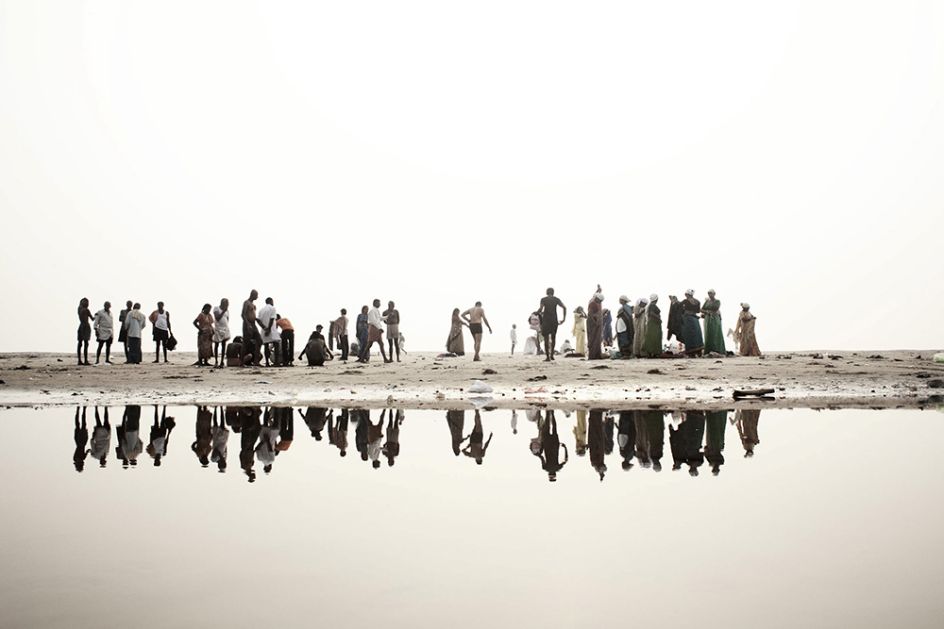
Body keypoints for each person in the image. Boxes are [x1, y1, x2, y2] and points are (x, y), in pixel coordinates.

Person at [538, 288, 566, 361]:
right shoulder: (556, 299)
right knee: (553, 338)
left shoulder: (543, 299)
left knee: (546, 339)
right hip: (554, 320)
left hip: (546, 320)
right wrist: (563, 319)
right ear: (553, 293)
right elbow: (564, 307)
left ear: (546, 292)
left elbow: (541, 309)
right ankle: (552, 355)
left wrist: (536, 312)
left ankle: (548, 357)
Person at [360, 299, 390, 363]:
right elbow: (373, 321)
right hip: (374, 328)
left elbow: (379, 318)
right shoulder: (372, 311)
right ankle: (362, 358)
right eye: (379, 303)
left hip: (376, 328)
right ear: (375, 303)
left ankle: (385, 359)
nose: (380, 304)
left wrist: (387, 317)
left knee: (378, 344)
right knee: (370, 344)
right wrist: (379, 328)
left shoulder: (376, 310)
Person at [256, 297, 281, 366]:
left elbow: (258, 320)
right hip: (272, 329)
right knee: (276, 344)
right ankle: (276, 362)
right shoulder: (272, 308)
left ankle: (267, 362)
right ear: (271, 301)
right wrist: (269, 329)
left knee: (266, 345)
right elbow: (272, 319)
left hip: (264, 330)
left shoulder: (261, 310)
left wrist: (264, 328)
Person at [680, 289, 704, 356]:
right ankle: (698, 350)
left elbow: (679, 308)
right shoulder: (697, 301)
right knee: (697, 334)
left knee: (689, 335)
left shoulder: (685, 301)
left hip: (687, 319)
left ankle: (691, 351)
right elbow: (698, 311)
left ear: (687, 294)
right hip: (695, 319)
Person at [701, 289, 726, 354]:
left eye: (711, 293)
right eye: (708, 293)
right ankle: (708, 350)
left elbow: (715, 308)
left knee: (715, 333)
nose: (710, 295)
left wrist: (708, 311)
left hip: (715, 319)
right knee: (708, 333)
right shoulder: (707, 301)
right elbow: (701, 309)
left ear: (714, 294)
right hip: (707, 319)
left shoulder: (717, 301)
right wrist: (706, 312)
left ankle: (717, 349)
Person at [241, 290, 262, 366]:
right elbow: (243, 314)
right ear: (253, 295)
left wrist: (256, 319)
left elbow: (252, 314)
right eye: (256, 295)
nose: (257, 297)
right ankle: (241, 362)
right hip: (247, 324)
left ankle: (256, 361)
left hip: (254, 324)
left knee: (259, 340)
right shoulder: (246, 303)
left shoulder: (253, 304)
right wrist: (247, 324)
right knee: (246, 342)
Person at [212, 298, 231, 368]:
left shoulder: (227, 311)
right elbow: (217, 318)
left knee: (223, 345)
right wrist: (223, 311)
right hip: (218, 328)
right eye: (226, 304)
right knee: (216, 344)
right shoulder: (216, 308)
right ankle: (216, 361)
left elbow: (227, 319)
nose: (227, 306)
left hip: (225, 329)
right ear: (222, 303)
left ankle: (222, 361)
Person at [587, 289, 604, 360]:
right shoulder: (593, 303)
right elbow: (590, 314)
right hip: (593, 323)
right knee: (593, 339)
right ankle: (593, 355)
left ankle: (596, 354)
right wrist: (595, 323)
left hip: (596, 323)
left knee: (597, 339)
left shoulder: (595, 302)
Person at [76, 297, 93, 366]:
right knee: (82, 343)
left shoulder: (82, 309)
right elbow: (92, 318)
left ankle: (84, 360)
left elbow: (92, 318)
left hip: (84, 326)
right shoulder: (82, 309)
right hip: (83, 326)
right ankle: (81, 360)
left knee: (84, 343)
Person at [73, 406, 89, 472]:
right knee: (77, 425)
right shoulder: (75, 459)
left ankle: (84, 410)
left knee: (83, 425)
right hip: (78, 441)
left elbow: (87, 451)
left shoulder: (82, 458)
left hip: (83, 442)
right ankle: (78, 410)